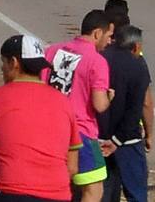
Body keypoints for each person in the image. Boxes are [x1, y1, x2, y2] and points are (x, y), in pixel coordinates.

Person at [0, 35, 81, 202]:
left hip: (11, 194)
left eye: (3, 62)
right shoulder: (64, 101)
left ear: (14, 63)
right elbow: (72, 167)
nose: (2, 68)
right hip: (58, 196)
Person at [45, 10, 117, 201]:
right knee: (94, 188)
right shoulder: (97, 62)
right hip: (80, 132)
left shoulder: (53, 50)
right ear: (97, 33)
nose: (110, 42)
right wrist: (109, 97)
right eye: (109, 36)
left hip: (48, 127)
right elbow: (99, 105)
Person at [97, 25, 153, 202]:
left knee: (104, 190)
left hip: (98, 137)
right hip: (127, 140)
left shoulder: (99, 58)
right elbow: (142, 105)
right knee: (136, 192)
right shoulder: (138, 66)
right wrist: (149, 135)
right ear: (136, 46)